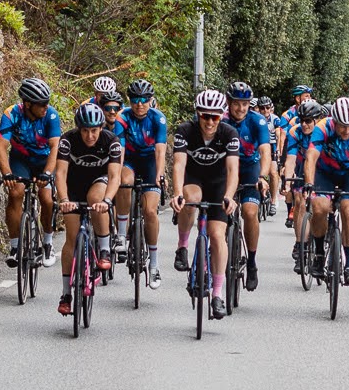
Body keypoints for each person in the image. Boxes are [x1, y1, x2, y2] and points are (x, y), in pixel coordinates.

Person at [170, 89, 240, 319]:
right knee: (191, 199)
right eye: (205, 116)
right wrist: (177, 193)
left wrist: (229, 196)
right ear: (198, 114)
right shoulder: (185, 131)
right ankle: (182, 246)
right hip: (194, 179)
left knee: (217, 235)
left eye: (215, 117)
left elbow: (233, 169)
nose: (210, 122)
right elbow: (179, 165)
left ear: (222, 116)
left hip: (219, 183)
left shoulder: (229, 133)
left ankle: (217, 294)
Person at [54, 102, 122, 316]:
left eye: (94, 130)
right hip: (74, 186)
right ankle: (66, 294)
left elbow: (115, 176)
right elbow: (60, 174)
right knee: (71, 239)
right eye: (85, 131)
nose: (90, 136)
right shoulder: (67, 140)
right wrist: (64, 199)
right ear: (78, 129)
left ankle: (104, 249)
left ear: (101, 128)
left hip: (99, 181)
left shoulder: (111, 141)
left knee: (95, 199)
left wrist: (108, 201)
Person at [303, 96, 349, 285]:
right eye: (342, 126)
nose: (347, 130)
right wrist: (309, 182)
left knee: (347, 209)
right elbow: (311, 156)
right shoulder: (322, 127)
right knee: (319, 208)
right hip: (325, 171)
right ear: (334, 121)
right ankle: (319, 254)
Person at [0, 77, 61, 267]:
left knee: (46, 199)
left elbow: (55, 147)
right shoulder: (11, 114)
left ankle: (47, 243)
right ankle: (15, 247)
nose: (46, 107)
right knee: (15, 193)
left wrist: (47, 173)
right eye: (42, 104)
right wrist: (7, 174)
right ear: (28, 104)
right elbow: (1, 146)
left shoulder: (51, 116)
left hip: (44, 161)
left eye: (47, 102)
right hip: (21, 160)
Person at [117, 78, 168, 282]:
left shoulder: (158, 118)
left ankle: (154, 265)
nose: (140, 104)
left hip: (150, 162)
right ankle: (121, 235)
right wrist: (116, 174)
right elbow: (119, 150)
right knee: (124, 180)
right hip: (129, 159)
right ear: (129, 100)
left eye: (144, 100)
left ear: (151, 100)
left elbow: (160, 150)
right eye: (135, 100)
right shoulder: (123, 117)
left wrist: (160, 174)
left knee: (150, 211)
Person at [227, 82, 274, 292]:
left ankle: (252, 262)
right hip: (226, 169)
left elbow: (265, 151)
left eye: (245, 104)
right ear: (229, 103)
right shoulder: (221, 119)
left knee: (249, 211)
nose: (241, 108)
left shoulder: (257, 121)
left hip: (249, 168)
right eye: (237, 104)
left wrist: (263, 176)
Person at [284, 101, 323, 269]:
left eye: (308, 121)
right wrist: (287, 182)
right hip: (302, 166)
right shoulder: (295, 132)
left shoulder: (323, 132)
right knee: (299, 201)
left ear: (317, 120)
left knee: (323, 203)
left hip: (322, 167)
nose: (304, 124)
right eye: (302, 121)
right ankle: (301, 244)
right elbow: (290, 159)